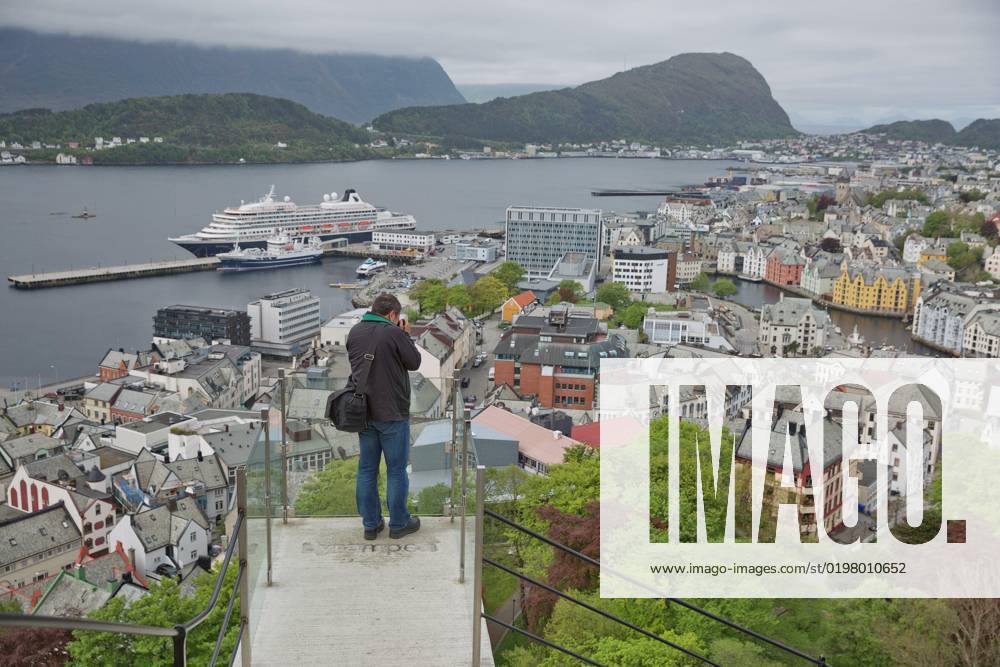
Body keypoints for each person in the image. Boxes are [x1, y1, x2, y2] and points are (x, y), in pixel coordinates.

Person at [346, 293, 422, 540]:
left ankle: (371, 524)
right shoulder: (394, 333)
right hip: (392, 413)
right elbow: (414, 362)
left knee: (366, 469)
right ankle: (399, 524)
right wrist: (406, 334)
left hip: (363, 412)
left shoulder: (355, 332)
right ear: (392, 315)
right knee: (396, 470)